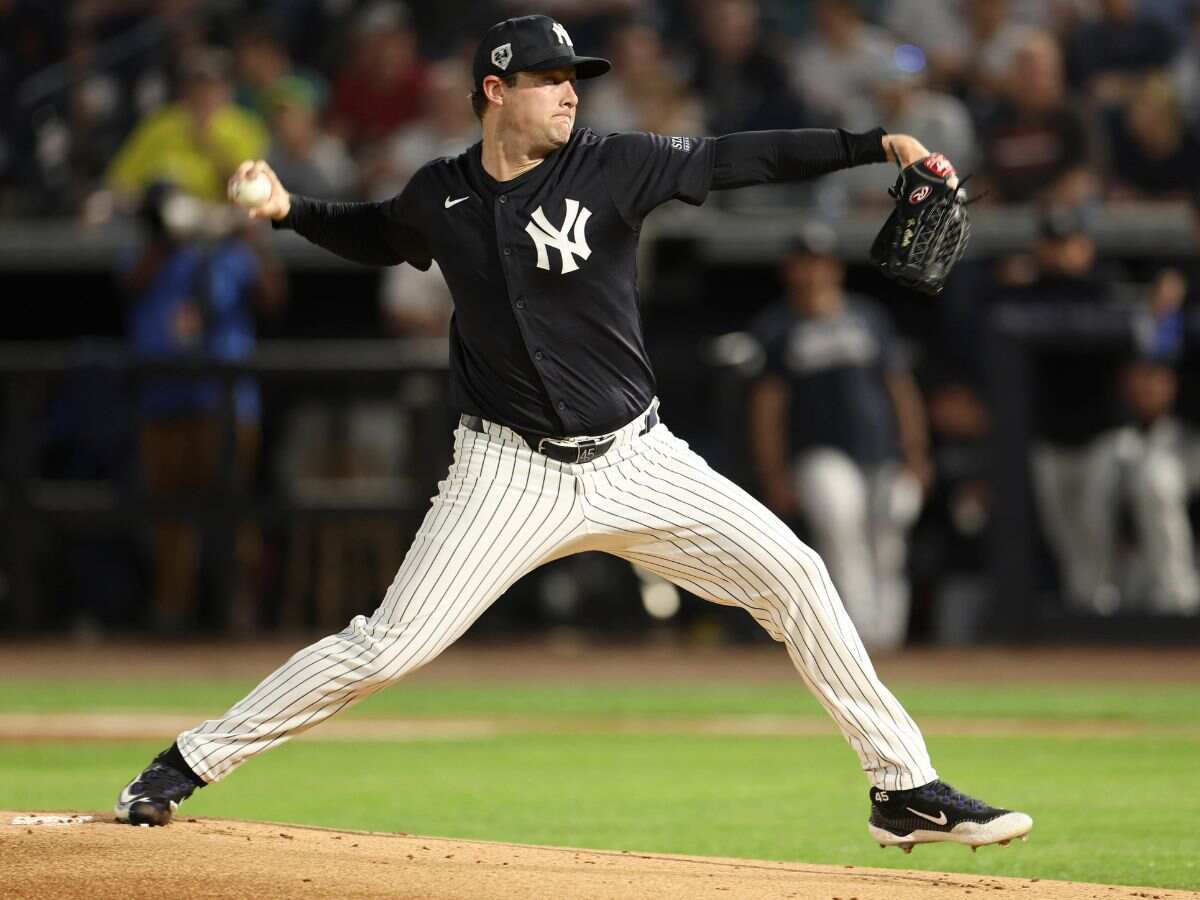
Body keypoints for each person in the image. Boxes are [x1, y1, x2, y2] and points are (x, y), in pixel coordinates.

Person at [114, 14, 1033, 853]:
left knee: (795, 574)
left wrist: (870, 144)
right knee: (386, 647)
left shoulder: (611, 163)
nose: (570, 90)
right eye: (550, 77)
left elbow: (734, 157)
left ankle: (903, 787)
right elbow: (380, 234)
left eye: (575, 76)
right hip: (506, 474)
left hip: (639, 458)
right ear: (495, 92)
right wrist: (290, 211)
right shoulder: (442, 193)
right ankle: (187, 762)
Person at [747, 225, 932, 652]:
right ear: (789, 270)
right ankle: (859, 637)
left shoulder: (867, 316)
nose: (812, 271)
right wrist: (774, 471)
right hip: (818, 452)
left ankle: (888, 640)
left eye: (819, 261)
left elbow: (900, 387)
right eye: (803, 262)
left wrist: (916, 450)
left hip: (883, 451)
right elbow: (767, 408)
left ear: (833, 268)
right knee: (840, 527)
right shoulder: (778, 328)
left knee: (888, 540)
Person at [122, 180, 284, 634]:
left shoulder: (229, 255)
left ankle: (236, 613)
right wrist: (170, 232)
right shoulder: (150, 256)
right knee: (167, 517)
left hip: (225, 402)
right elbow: (131, 285)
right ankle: (171, 614)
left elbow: (272, 299)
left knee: (233, 509)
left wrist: (246, 236)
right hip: (163, 399)